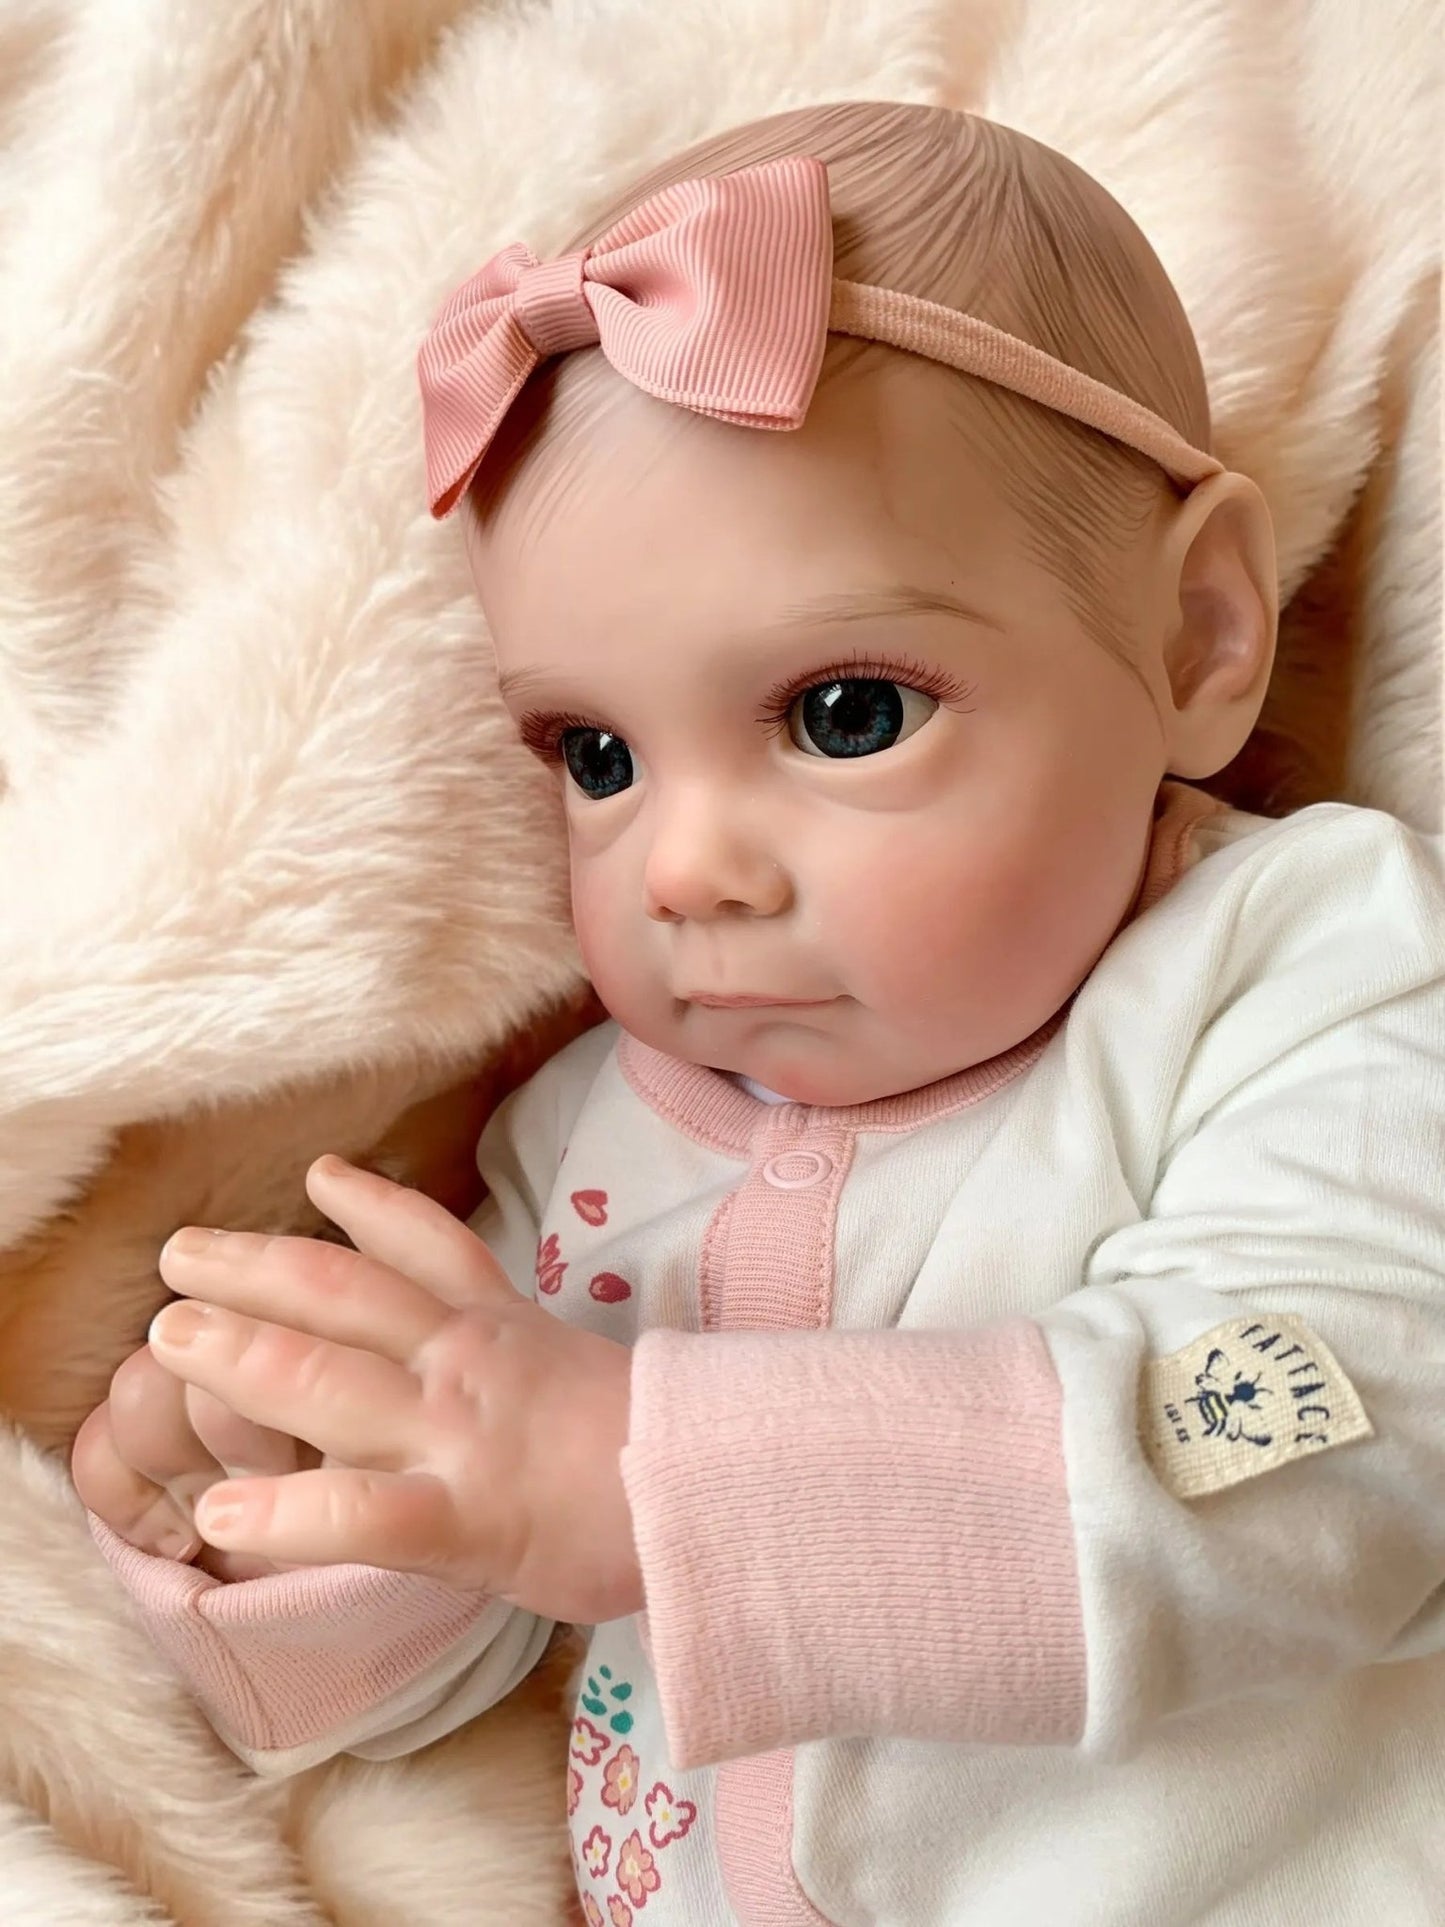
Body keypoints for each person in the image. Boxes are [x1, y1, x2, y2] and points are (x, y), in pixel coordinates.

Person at [73, 102, 1445, 1925]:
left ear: (1195, 633)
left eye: (842, 713)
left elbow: (1345, 1453)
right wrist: (291, 1514)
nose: (684, 869)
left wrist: (647, 1479)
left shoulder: (1307, 964)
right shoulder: (588, 1132)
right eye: (597, 755)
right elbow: (470, 1641)